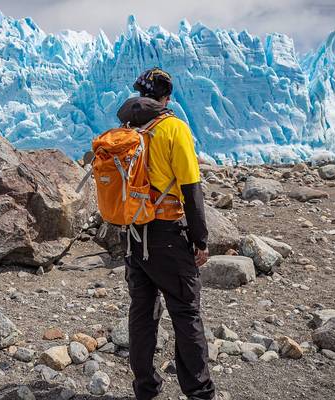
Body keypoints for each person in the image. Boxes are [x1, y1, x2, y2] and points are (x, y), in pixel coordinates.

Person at [116, 68, 225, 400]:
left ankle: (146, 391)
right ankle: (200, 393)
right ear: (166, 98)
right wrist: (200, 240)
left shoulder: (127, 129)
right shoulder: (173, 128)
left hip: (134, 234)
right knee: (186, 313)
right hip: (167, 235)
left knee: (142, 314)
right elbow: (191, 189)